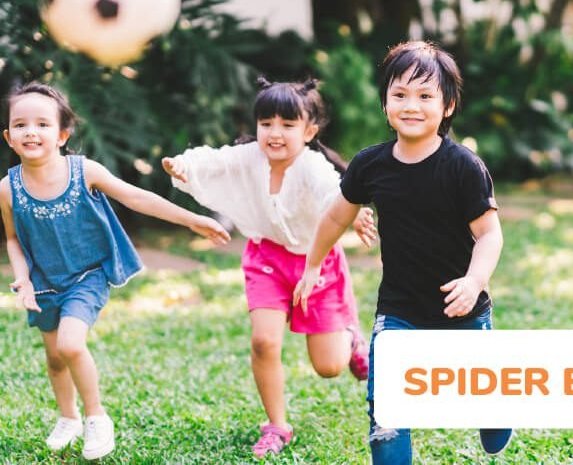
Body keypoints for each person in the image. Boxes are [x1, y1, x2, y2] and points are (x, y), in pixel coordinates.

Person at [295, 40, 513, 464]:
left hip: (462, 308)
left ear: (447, 106)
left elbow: (490, 235)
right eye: (400, 94)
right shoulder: (370, 165)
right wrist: (312, 266)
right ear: (385, 104)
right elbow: (334, 219)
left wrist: (474, 281)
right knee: (388, 413)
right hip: (398, 310)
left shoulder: (463, 166)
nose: (411, 105)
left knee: (480, 390)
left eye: (425, 96)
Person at [1, 82, 231, 460]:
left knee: (70, 344)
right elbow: (12, 239)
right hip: (42, 283)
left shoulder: (83, 171)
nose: (31, 131)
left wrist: (191, 220)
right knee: (56, 358)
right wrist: (23, 277)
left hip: (86, 276)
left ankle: (96, 417)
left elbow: (136, 197)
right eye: (21, 124)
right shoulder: (7, 189)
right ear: (9, 137)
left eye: (42, 123)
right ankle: (68, 417)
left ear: (61, 135)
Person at [162, 77, 375, 458]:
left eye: (287, 125)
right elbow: (215, 158)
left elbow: (334, 193)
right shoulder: (250, 158)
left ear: (309, 131)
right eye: (266, 124)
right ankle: (277, 425)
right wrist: (183, 165)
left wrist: (353, 214)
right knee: (264, 341)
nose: (275, 134)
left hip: (315, 260)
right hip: (266, 260)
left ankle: (352, 337)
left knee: (329, 367)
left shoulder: (311, 166)